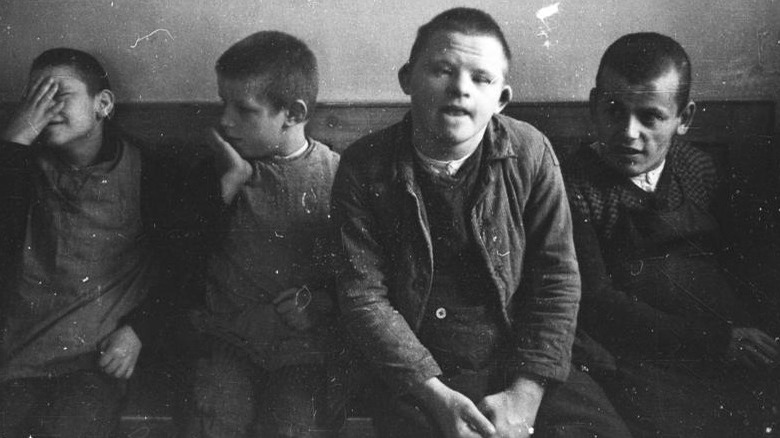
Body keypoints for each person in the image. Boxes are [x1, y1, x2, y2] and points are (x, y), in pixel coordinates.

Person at [332, 8, 630, 438]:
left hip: (521, 361)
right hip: (421, 372)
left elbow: (557, 280)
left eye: (481, 79)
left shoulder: (530, 152)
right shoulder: (365, 166)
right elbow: (364, 299)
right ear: (406, 78)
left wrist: (524, 398)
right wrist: (435, 397)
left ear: (501, 100)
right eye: (441, 70)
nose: (460, 89)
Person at [564, 32, 780, 437]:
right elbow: (597, 300)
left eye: (650, 117)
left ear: (685, 118)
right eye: (614, 110)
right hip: (644, 351)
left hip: (729, 339)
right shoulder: (572, 185)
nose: (629, 132)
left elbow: (743, 261)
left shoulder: (699, 169)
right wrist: (715, 340)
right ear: (594, 106)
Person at [0, 48, 177, 437]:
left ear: (103, 105)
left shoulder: (149, 170)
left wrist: (139, 331)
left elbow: (183, 267)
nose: (44, 109)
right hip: (20, 351)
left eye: (58, 94)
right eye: (34, 97)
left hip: (95, 359)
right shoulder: (23, 166)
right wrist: (15, 140)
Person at [182, 31, 345, 438]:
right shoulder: (218, 171)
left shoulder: (337, 175)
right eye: (224, 104)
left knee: (297, 426)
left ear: (292, 113)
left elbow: (359, 268)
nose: (225, 120)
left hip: (302, 347)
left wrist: (321, 301)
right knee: (215, 418)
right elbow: (183, 253)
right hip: (227, 338)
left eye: (244, 109)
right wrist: (230, 182)